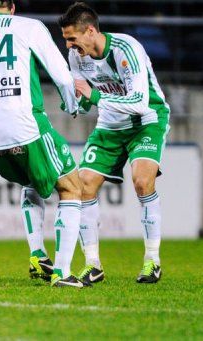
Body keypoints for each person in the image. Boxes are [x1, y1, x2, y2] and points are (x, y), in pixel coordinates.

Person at [0, 0, 86, 287]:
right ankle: (62, 272)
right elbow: (60, 71)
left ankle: (37, 255)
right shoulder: (29, 27)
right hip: (26, 127)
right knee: (72, 187)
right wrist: (72, 105)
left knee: (31, 183)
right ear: (11, 7)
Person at [58, 2, 170, 285]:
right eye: (66, 40)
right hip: (110, 125)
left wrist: (93, 97)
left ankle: (152, 261)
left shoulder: (126, 48)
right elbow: (84, 103)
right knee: (83, 186)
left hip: (147, 120)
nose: (70, 46)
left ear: (91, 31)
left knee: (143, 181)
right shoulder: (77, 57)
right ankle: (93, 264)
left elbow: (139, 101)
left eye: (72, 39)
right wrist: (75, 103)